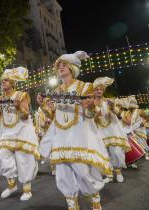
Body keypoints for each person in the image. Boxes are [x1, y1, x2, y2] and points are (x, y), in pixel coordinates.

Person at [39, 51, 112, 210]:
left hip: (79, 134)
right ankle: (72, 204)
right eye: (59, 65)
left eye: (64, 64)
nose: (61, 67)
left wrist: (89, 106)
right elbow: (53, 116)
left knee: (83, 170)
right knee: (63, 172)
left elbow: (92, 114)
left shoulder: (85, 87)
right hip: (61, 136)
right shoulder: (57, 91)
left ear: (72, 67)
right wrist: (46, 108)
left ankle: (95, 200)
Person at [0, 67, 40, 201]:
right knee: (3, 158)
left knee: (24, 160)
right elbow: (0, 118)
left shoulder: (21, 95)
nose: (3, 82)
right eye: (2, 80)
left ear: (12, 82)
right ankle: (12, 185)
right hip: (6, 133)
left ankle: (27, 189)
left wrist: (18, 107)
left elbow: (25, 115)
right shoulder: (0, 98)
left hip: (21, 132)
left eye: (6, 80)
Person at [93, 77, 131, 183]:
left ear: (103, 90)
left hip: (112, 130)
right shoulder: (91, 104)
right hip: (99, 131)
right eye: (97, 89)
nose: (99, 91)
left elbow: (119, 114)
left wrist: (113, 108)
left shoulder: (109, 101)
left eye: (101, 89)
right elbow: (88, 118)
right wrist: (95, 115)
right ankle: (109, 174)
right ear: (94, 91)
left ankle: (118, 172)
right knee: (104, 153)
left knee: (117, 152)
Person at [128, 96, 149, 160]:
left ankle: (147, 154)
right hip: (133, 130)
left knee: (143, 142)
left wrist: (143, 123)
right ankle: (141, 154)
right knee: (137, 143)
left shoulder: (140, 111)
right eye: (130, 103)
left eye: (132, 103)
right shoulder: (129, 113)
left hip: (140, 130)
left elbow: (147, 119)